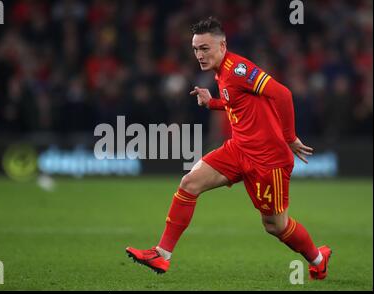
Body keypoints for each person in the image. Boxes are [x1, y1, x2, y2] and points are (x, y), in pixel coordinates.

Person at [126, 17, 332, 280]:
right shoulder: (221, 72)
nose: (199, 55)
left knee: (275, 226)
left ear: (222, 46)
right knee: (189, 183)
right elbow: (236, 101)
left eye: (205, 48)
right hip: (238, 149)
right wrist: (212, 103)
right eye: (195, 49)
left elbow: (283, 94)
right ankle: (162, 255)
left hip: (268, 161)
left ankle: (317, 259)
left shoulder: (238, 69)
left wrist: (290, 138)